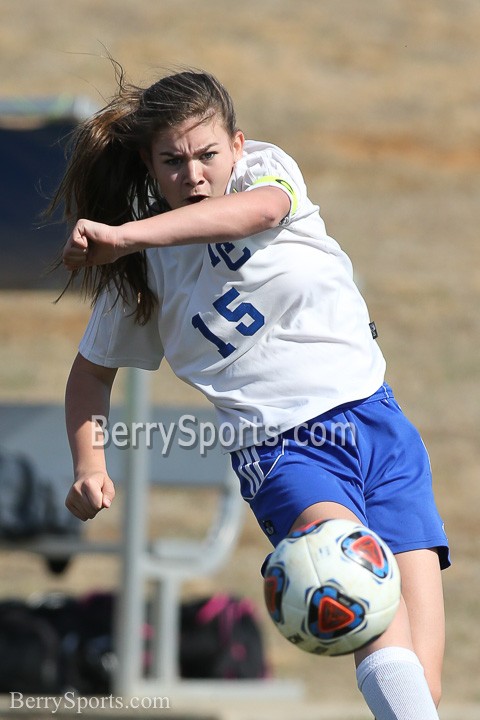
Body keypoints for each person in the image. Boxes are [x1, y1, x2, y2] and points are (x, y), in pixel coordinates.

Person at [52, 66, 449, 719]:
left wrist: (124, 235)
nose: (195, 174)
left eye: (207, 153)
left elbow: (255, 215)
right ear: (150, 170)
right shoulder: (145, 267)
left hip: (382, 424)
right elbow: (90, 373)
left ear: (239, 144)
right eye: (173, 162)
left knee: (422, 682)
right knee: (369, 609)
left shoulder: (265, 172)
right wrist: (89, 465)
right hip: (290, 451)